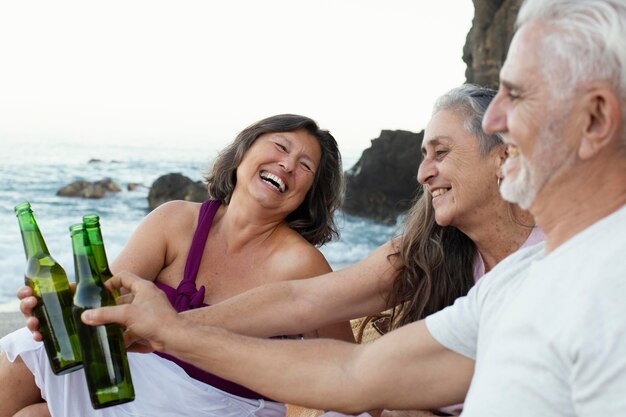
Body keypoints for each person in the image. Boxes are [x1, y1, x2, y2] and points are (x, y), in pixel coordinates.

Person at [68, 0, 626, 414]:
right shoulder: (513, 285)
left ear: (595, 119)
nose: (499, 119)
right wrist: (165, 330)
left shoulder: (604, 277)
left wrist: (169, 330)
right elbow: (353, 367)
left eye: (517, 94)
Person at [15, 84, 543, 417]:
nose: (423, 172)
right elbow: (302, 307)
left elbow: (350, 368)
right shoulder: (429, 249)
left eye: (441, 153)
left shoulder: (562, 260)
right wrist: (154, 328)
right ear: (244, 151)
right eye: (424, 155)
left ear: (504, 156)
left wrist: (172, 330)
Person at [0, 114, 355, 417]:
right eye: (280, 147)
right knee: (31, 350)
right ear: (243, 152)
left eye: (306, 165)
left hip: (221, 403)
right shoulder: (174, 221)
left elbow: (349, 373)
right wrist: (70, 303)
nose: (288, 164)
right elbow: (107, 305)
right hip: (138, 375)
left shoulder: (304, 264)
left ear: (309, 194)